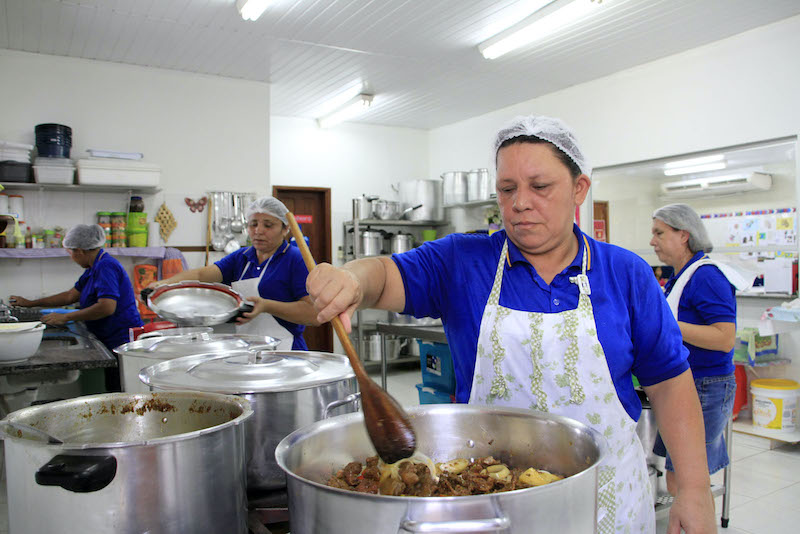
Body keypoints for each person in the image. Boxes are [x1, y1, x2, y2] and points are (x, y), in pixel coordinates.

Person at [306, 116, 716, 533]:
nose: (520, 203)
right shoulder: (463, 262)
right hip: (489, 502)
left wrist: (695, 489)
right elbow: (383, 274)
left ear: (579, 189)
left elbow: (669, 384)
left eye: (540, 187)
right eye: (507, 189)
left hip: (605, 500)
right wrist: (351, 279)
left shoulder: (626, 274)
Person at [650, 203, 740, 497]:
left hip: (706, 386)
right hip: (685, 381)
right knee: (677, 478)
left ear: (683, 235)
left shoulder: (706, 276)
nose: (653, 241)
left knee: (689, 482)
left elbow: (724, 338)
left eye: (659, 233)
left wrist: (667, 325)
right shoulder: (681, 276)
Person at [151, 196, 318, 350]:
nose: (258, 231)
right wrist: (163, 284)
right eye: (253, 224)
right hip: (248, 350)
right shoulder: (242, 257)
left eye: (268, 225)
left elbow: (313, 313)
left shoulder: (296, 259)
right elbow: (202, 276)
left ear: (285, 228)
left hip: (286, 350)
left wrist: (266, 306)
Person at [9, 224, 143, 391]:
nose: (71, 257)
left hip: (121, 339)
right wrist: (30, 303)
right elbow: (69, 296)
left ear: (79, 251)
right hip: (108, 337)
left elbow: (107, 307)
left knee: (120, 389)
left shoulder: (105, 266)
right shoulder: (93, 268)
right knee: (113, 388)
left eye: (70, 253)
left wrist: (67, 316)